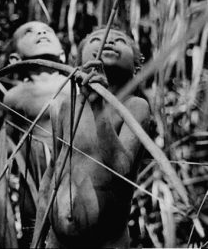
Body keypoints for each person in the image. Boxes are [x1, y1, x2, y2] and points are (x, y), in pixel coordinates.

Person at [32, 27, 150, 248]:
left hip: (108, 241)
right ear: (79, 64)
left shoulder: (135, 106)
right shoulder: (66, 106)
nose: (109, 41)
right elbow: (51, 176)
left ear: (136, 66)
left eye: (120, 41)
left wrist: (98, 104)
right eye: (96, 39)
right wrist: (37, 240)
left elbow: (121, 168)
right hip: (58, 242)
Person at [2, 21, 70, 247]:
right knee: (36, 230)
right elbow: (8, 141)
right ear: (14, 60)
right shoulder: (14, 96)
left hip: (74, 173)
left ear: (63, 54)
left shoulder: (76, 86)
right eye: (28, 32)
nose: (41, 32)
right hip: (33, 177)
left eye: (47, 30)